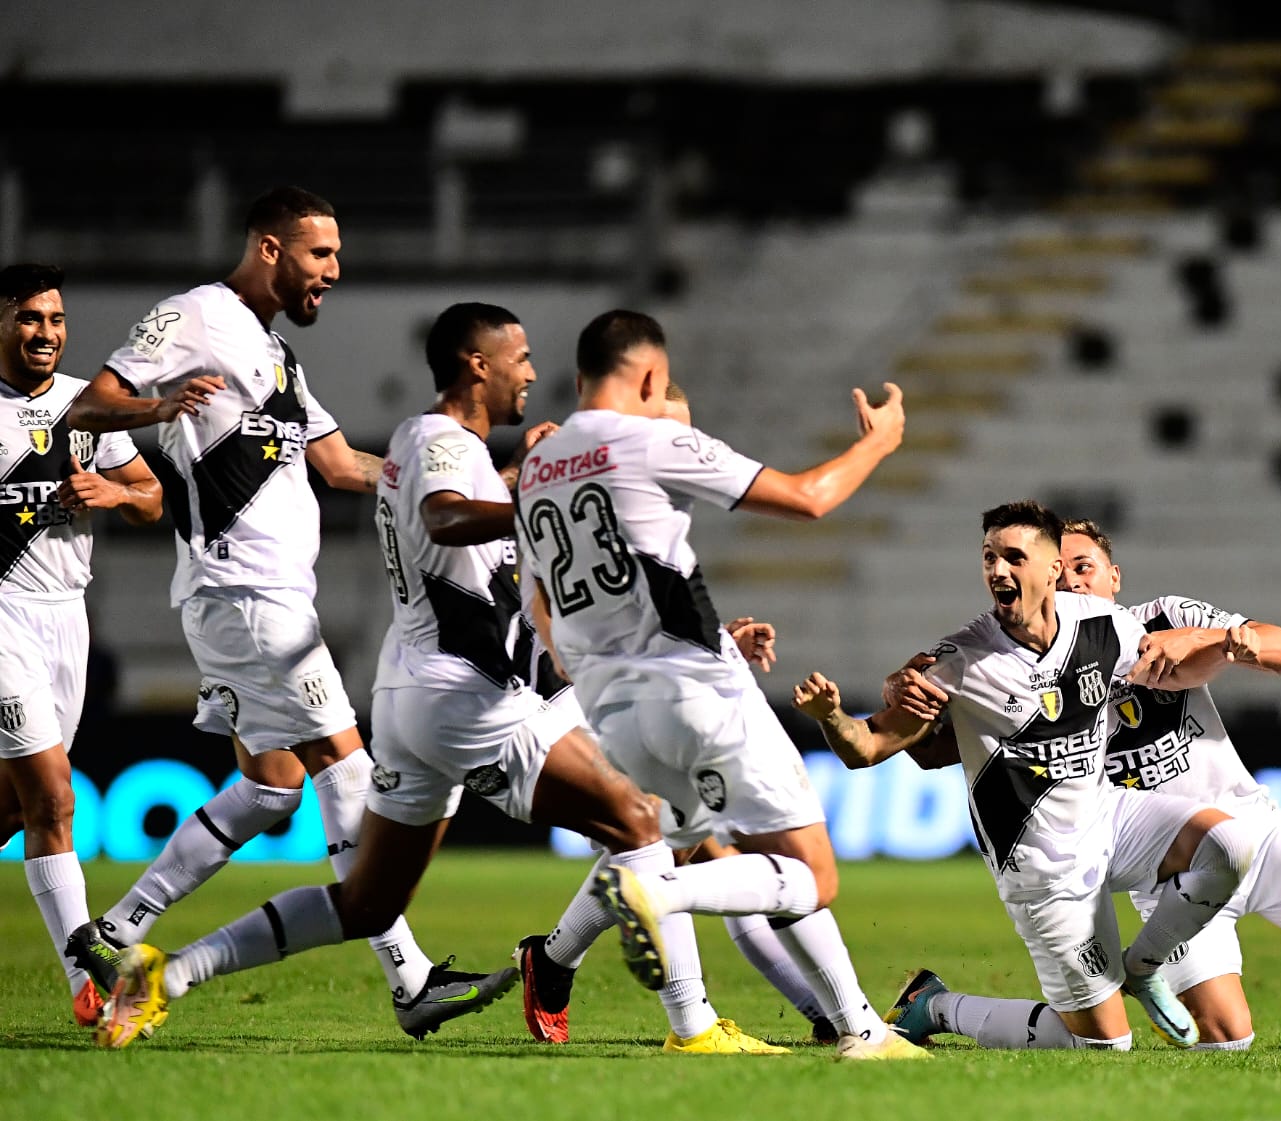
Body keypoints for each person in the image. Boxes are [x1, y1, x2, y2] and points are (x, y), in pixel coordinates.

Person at [95, 303, 789, 1055]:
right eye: (520, 358)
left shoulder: (437, 446)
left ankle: (168, 972)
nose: (532, 372)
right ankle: (692, 1025)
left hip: (418, 696)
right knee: (640, 822)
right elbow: (448, 517)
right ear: (477, 366)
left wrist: (526, 485)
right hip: (468, 695)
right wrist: (533, 491)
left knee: (366, 903)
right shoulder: (441, 441)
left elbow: (481, 543)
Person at [63, 187, 503, 1039]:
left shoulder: (278, 357)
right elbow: (90, 404)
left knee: (273, 784)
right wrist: (158, 408)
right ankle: (410, 979)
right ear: (270, 248)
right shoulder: (197, 316)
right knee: (345, 762)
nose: (334, 271)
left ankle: (112, 932)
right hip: (246, 592)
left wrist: (480, 484)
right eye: (320, 254)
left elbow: (344, 466)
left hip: (259, 598)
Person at [511, 309, 923, 1060]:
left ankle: (854, 1029)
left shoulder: (537, 470)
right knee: (809, 875)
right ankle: (659, 903)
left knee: (675, 846)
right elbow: (810, 497)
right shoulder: (649, 437)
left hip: (613, 713)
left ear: (577, 377)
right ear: (649, 377)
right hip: (696, 695)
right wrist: (879, 441)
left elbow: (547, 617)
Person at [875, 518, 1281, 1048]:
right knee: (1228, 1040)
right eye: (1063, 571)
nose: (1074, 582)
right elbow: (941, 749)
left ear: (1114, 576)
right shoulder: (1034, 666)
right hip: (1172, 876)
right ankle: (1127, 973)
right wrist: (907, 698)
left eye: (1085, 567)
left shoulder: (1160, 620)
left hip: (1255, 832)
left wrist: (1222, 640)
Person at [514, 379, 834, 1047]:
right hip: (573, 697)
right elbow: (557, 601)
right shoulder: (583, 475)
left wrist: (722, 647)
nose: (678, 447)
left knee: (688, 851)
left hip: (632, 690)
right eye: (665, 430)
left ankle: (557, 959)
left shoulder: (629, 492)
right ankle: (706, 1024)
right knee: (678, 851)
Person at [0, 263, 164, 1029]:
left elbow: (152, 498)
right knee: (55, 796)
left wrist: (115, 491)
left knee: (19, 804)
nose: (47, 332)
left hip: (68, 617)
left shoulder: (83, 408)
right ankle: (89, 980)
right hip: (3, 613)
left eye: (56, 319)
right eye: (30, 317)